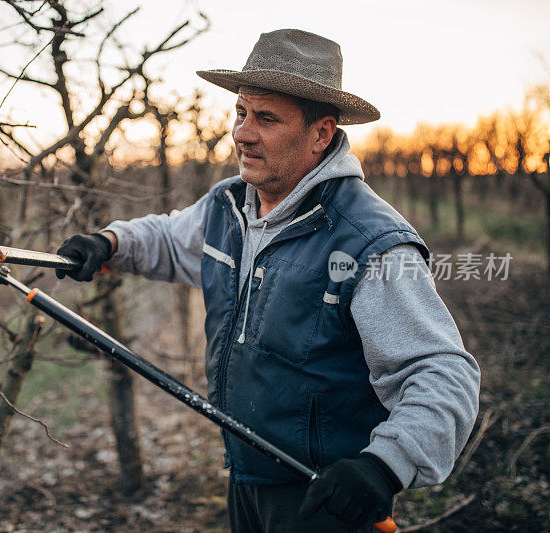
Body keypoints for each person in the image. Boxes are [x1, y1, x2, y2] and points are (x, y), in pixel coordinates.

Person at [55, 29, 480, 532]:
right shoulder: (230, 205)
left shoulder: (370, 242)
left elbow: (441, 372)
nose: (242, 133)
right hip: (244, 477)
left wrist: (383, 466)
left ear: (322, 134)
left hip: (326, 500)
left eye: (267, 118)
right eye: (241, 113)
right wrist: (110, 244)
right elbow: (171, 240)